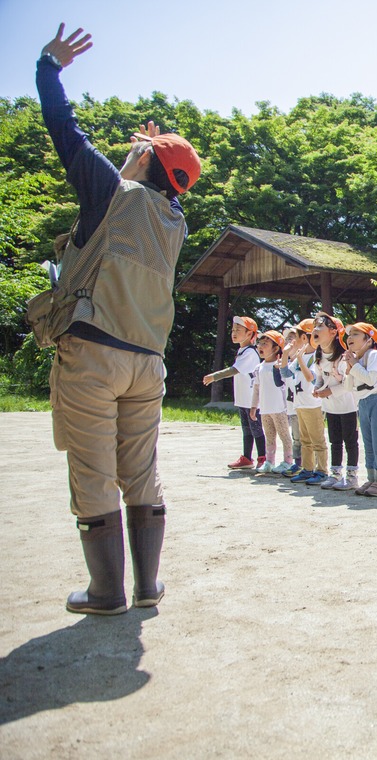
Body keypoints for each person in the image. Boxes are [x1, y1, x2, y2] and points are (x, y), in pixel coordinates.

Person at [37, 24, 201, 614]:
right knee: (140, 471)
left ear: (143, 164)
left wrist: (47, 69)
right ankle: (147, 585)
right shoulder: (174, 221)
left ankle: (106, 591)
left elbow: (67, 134)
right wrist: (154, 153)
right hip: (145, 363)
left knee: (93, 471)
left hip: (94, 355)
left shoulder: (112, 193)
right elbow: (164, 184)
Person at [203, 315, 265, 470]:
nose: (234, 332)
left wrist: (214, 376)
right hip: (244, 398)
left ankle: (263, 458)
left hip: (252, 400)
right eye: (233, 329)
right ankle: (246, 458)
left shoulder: (250, 352)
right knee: (246, 429)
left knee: (256, 429)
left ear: (250, 334)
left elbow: (235, 370)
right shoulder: (242, 350)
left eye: (238, 330)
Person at [311, 313, 360, 491]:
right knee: (335, 441)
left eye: (319, 326)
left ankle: (352, 476)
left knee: (350, 441)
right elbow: (319, 376)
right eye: (314, 326)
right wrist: (317, 388)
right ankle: (335, 474)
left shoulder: (343, 356)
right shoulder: (319, 355)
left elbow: (348, 385)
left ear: (333, 332)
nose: (315, 330)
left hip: (347, 406)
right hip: (330, 407)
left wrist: (327, 391)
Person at [344, 322, 377, 497]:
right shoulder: (355, 358)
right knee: (368, 442)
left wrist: (354, 365)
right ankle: (371, 478)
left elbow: (371, 380)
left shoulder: (373, 355)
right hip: (363, 402)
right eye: (350, 334)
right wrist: (349, 369)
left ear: (369, 340)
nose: (350, 337)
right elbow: (349, 387)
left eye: (356, 334)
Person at [281, 319, 329, 485]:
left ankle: (322, 471)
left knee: (317, 440)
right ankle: (307, 469)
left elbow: (311, 377)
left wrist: (300, 358)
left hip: (313, 404)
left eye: (298, 336)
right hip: (300, 404)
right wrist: (286, 354)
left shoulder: (317, 355)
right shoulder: (300, 356)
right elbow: (286, 373)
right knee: (305, 441)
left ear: (305, 337)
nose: (294, 340)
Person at [250, 330, 294, 475]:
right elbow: (256, 388)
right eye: (259, 343)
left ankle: (288, 462)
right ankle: (269, 461)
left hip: (279, 408)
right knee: (269, 436)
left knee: (284, 435)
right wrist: (253, 406)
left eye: (265, 344)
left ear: (276, 348)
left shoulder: (279, 365)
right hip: (265, 409)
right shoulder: (259, 367)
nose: (260, 346)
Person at [278, 326, 303, 478]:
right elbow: (278, 381)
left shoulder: (304, 360)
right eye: (287, 339)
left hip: (304, 404)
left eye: (293, 338)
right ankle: (298, 463)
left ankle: (306, 465)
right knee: (296, 437)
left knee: (305, 437)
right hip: (291, 405)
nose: (289, 342)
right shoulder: (286, 363)